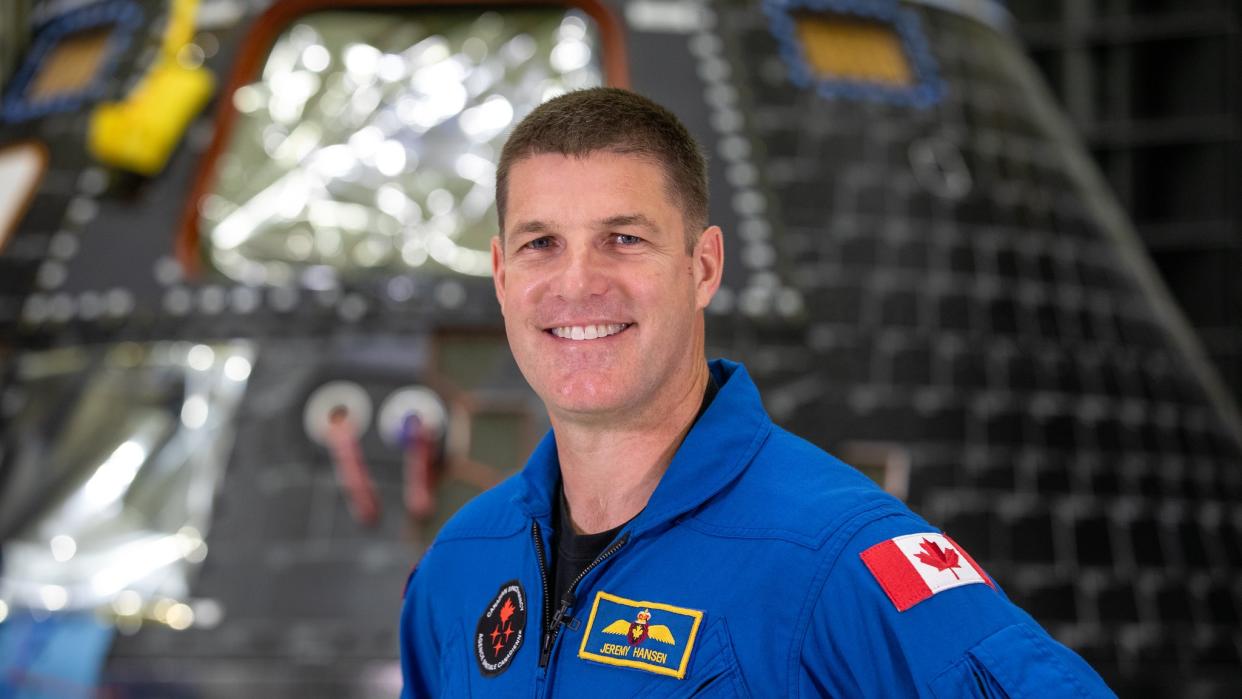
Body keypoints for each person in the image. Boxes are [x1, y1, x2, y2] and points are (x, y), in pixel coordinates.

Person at [399, 87, 1113, 697]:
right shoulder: (460, 566)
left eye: (623, 238)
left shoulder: (837, 555)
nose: (578, 283)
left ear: (703, 266)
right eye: (540, 244)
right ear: (501, 276)